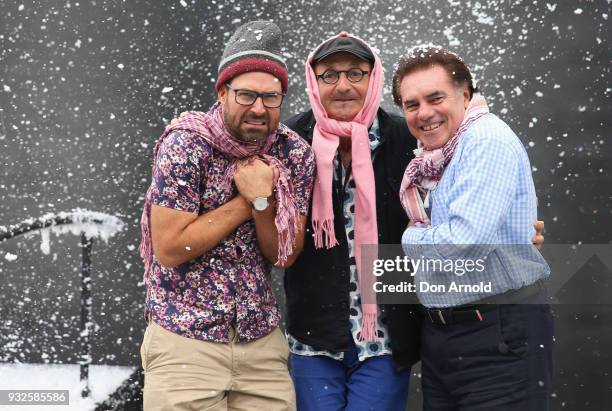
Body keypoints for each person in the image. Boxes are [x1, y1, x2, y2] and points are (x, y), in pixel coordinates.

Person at [138, 21, 314, 411]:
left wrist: (265, 204)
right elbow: (169, 247)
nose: (259, 108)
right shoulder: (186, 145)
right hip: (185, 342)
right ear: (222, 92)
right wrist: (246, 201)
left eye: (271, 98)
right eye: (247, 95)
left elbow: (283, 256)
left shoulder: (293, 154)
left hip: (260, 344)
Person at [393, 46, 553, 410]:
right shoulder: (436, 158)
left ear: (465, 94)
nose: (425, 113)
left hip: (497, 332)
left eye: (436, 98)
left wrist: (410, 236)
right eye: (412, 104)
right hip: (445, 336)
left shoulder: (485, 140)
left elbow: (465, 242)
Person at [283, 32, 421, 411]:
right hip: (313, 334)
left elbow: (450, 197)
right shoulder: (292, 141)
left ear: (373, 78)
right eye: (329, 74)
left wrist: (512, 226)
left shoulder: (407, 139)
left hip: (386, 334)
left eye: (356, 73)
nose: (343, 85)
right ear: (314, 81)